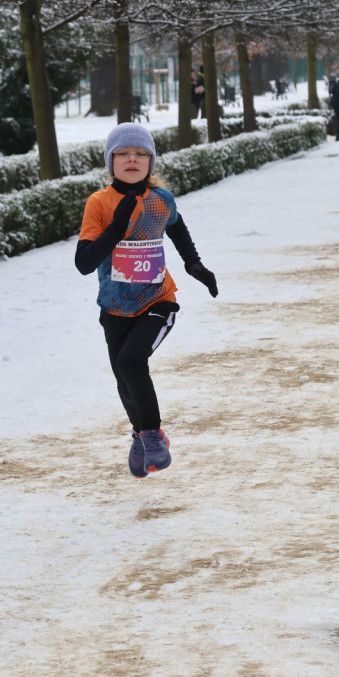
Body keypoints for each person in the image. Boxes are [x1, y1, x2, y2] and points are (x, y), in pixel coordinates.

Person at [74, 123, 218, 478]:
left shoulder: (161, 200)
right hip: (114, 306)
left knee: (131, 360)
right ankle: (140, 436)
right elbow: (84, 263)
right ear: (111, 162)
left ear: (151, 162)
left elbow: (177, 228)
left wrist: (194, 264)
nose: (132, 159)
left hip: (158, 300)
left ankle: (153, 435)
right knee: (124, 378)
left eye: (140, 154)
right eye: (123, 153)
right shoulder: (99, 203)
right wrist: (115, 228)